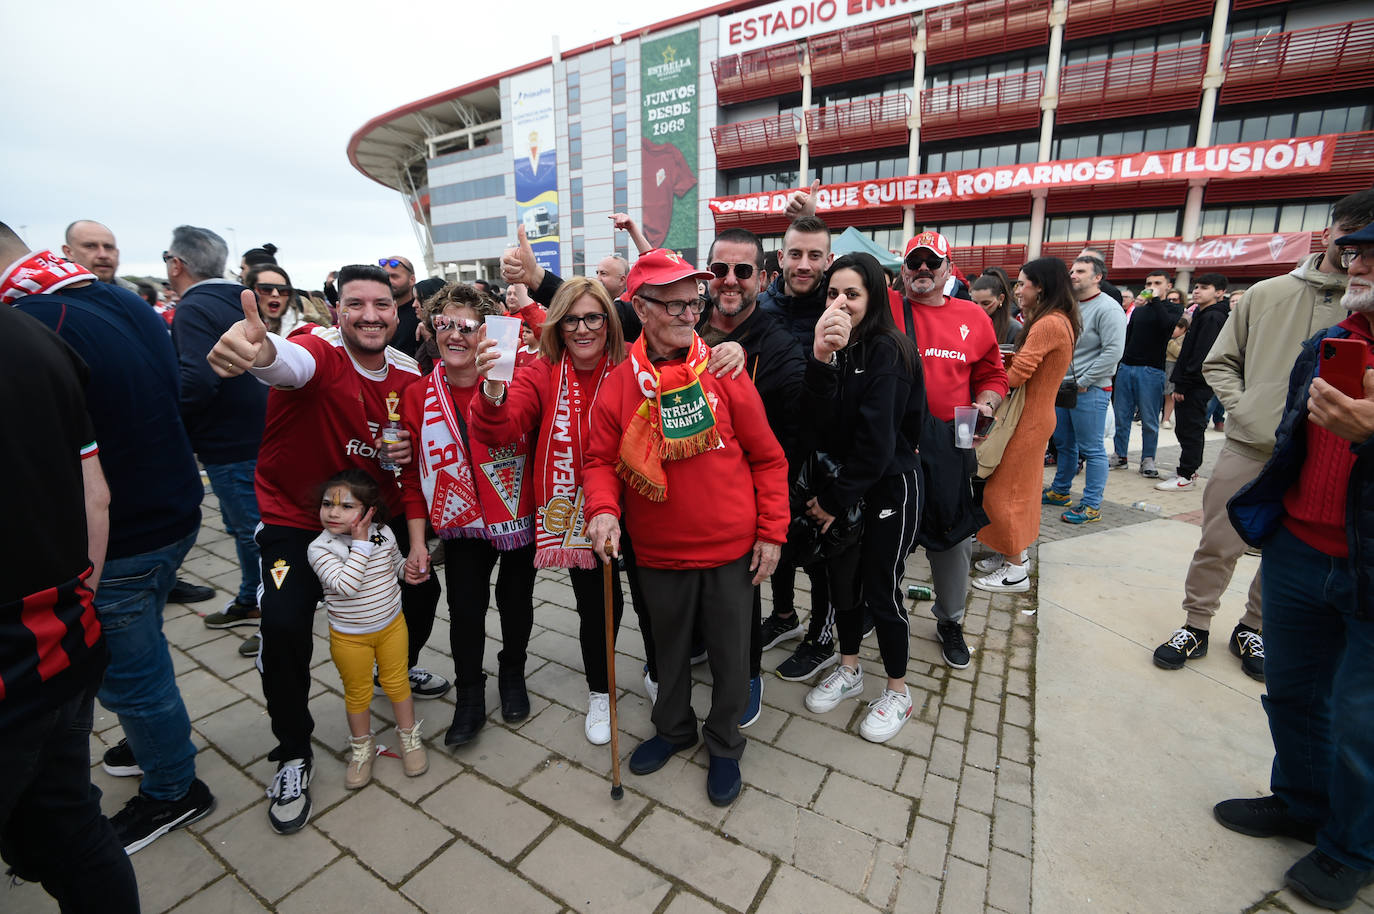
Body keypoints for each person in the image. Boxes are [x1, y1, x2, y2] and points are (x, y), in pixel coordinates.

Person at [207, 262, 444, 835]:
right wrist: (256, 351)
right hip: (296, 521)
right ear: (337, 310)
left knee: (423, 591)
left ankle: (399, 672)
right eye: (356, 304)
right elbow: (281, 363)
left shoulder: (410, 374)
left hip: (369, 519)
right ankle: (293, 753)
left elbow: (418, 458)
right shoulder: (317, 351)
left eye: (381, 305)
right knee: (286, 626)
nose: (369, 315)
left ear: (398, 310)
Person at [5, 231, 217, 854]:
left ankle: (174, 788)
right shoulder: (114, 299)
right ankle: (153, 741)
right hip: (171, 509)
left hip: (122, 533)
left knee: (131, 674)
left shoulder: (33, 322)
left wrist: (84, 580)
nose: (100, 254)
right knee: (141, 656)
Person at [584, 248, 788, 807]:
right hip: (655, 551)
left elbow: (769, 459)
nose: (686, 313)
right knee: (667, 653)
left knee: (730, 655)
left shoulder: (724, 370)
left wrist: (772, 531)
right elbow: (599, 460)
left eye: (690, 302)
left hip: (730, 550)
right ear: (640, 309)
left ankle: (724, 742)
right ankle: (673, 728)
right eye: (671, 304)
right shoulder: (621, 383)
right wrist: (603, 509)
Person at [1216, 224, 1374, 911]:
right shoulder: (1335, 338)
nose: (1355, 261)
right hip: (1301, 547)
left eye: (1372, 251)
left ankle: (1350, 849)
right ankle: (1301, 801)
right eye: (1356, 249)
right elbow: (1292, 435)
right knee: (1293, 692)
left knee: (1361, 721)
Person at [1153, 190, 1373, 678]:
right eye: (1349, 240)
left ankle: (1253, 627)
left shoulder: (1366, 305)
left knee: (1286, 550)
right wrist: (1247, 411)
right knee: (1218, 540)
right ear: (1328, 234)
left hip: (1332, 456)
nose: (1356, 253)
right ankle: (1197, 623)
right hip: (1253, 445)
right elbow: (1220, 361)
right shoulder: (1267, 293)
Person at [0, 293, 138, 911]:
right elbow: (95, 498)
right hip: (61, 640)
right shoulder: (36, 340)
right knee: (72, 828)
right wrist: (78, 600)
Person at [470, 277, 627, 745]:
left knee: (654, 596)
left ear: (608, 322)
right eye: (572, 319)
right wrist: (494, 391)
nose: (582, 329)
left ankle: (660, 672)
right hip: (575, 510)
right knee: (600, 603)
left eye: (593, 317)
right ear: (557, 325)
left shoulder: (630, 360)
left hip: (640, 500)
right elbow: (502, 427)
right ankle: (601, 690)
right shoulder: (539, 370)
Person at [398, 282, 537, 748]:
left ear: (487, 335)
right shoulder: (417, 395)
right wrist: (418, 543)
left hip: (517, 518)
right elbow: (414, 477)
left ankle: (512, 676)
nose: (455, 335)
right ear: (431, 329)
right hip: (459, 526)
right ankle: (470, 695)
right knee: (465, 612)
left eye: (467, 326)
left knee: (516, 603)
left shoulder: (514, 379)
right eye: (444, 324)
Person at [799, 253, 925, 743]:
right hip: (845, 489)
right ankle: (849, 668)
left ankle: (898, 690)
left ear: (873, 298)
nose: (840, 303)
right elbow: (813, 427)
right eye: (832, 294)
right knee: (842, 584)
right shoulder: (833, 347)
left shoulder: (888, 351)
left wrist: (830, 501)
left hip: (889, 487)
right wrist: (820, 359)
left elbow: (877, 446)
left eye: (852, 294)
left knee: (882, 589)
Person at [61, 220, 213, 606]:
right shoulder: (59, 312)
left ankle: (168, 581)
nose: (102, 254)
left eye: (109, 247)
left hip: (157, 466)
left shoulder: (129, 302)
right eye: (91, 246)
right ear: (67, 253)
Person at [697, 228, 807, 726]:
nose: (731, 281)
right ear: (706, 277)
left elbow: (789, 438)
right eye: (720, 270)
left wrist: (771, 527)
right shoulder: (686, 324)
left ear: (762, 279)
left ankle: (745, 678)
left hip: (739, 501)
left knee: (740, 601)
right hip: (683, 493)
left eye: (743, 271)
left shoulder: (777, 345)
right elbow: (621, 314)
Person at [891, 231, 1008, 668]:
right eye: (915, 261)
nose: (923, 269)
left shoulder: (972, 316)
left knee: (954, 538)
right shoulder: (885, 305)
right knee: (889, 535)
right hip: (894, 440)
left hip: (951, 441)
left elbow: (993, 374)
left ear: (947, 267)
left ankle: (950, 620)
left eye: (931, 262)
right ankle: (882, 607)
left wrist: (986, 404)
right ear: (904, 268)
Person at [165, 226, 270, 645]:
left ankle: (272, 620)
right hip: (254, 432)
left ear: (177, 264)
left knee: (253, 532)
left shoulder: (194, 307)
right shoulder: (233, 298)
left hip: (230, 441)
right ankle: (250, 597)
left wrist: (174, 421)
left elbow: (198, 379)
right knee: (247, 528)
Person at [756, 216, 844, 683]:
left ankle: (823, 637)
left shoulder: (841, 306)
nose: (804, 264)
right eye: (796, 254)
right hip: (774, 451)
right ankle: (785, 616)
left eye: (814, 255)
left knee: (821, 551)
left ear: (828, 261)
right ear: (781, 257)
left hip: (823, 454)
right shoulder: (763, 307)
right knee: (778, 541)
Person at [308, 470, 427, 788]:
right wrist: (360, 544)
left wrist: (409, 571)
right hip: (350, 638)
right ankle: (363, 748)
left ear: (369, 510)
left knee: (397, 683)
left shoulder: (383, 533)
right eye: (327, 504)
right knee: (358, 693)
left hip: (391, 627)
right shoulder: (321, 548)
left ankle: (409, 737)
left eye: (346, 506)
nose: (333, 512)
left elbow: (394, 562)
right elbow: (346, 585)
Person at [972, 257, 1079, 592]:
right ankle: (1009, 552)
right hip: (1034, 415)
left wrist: (988, 377)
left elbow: (1019, 374)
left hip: (1027, 419)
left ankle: (1015, 569)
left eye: (1021, 283)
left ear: (1041, 286)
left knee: (1006, 493)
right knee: (1021, 491)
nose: (1017, 290)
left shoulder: (1048, 323)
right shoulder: (1057, 320)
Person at [1041, 254, 1126, 524]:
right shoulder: (1070, 306)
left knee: (1092, 449)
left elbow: (1113, 351)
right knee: (1065, 444)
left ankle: (1091, 505)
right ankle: (1060, 491)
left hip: (1090, 390)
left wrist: (1085, 381)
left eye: (1080, 271)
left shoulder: (1108, 308)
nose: (1073, 275)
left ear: (1097, 277)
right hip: (1064, 387)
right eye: (1072, 270)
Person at [1156, 273, 1230, 491]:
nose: (1197, 291)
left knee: (1191, 428)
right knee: (1187, 428)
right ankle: (1186, 470)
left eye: (1204, 287)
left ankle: (1186, 474)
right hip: (1192, 382)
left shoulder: (1213, 317)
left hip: (1196, 384)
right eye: (1196, 287)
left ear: (1219, 292)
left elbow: (1201, 354)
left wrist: (1183, 384)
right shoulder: (1201, 313)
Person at [1110, 269, 1183, 478]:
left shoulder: (1173, 309)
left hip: (1152, 370)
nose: (1151, 286)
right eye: (1148, 282)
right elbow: (1128, 336)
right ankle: (1120, 455)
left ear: (1168, 285)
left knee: (1150, 419)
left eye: (1157, 282)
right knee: (1121, 415)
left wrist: (1157, 300)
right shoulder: (1139, 310)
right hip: (1127, 367)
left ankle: (1148, 458)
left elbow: (1168, 327)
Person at [246, 263, 331, 336]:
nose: (275, 294)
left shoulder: (308, 332)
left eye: (282, 290)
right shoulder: (237, 331)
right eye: (266, 289)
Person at [379, 255, 425, 358]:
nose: (388, 281)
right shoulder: (374, 314)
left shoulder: (421, 313)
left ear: (412, 280)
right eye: (384, 277)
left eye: (394, 276)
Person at [970, 268, 1023, 345]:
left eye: (986, 303)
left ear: (1001, 299)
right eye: (974, 303)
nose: (979, 308)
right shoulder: (966, 324)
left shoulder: (1014, 329)